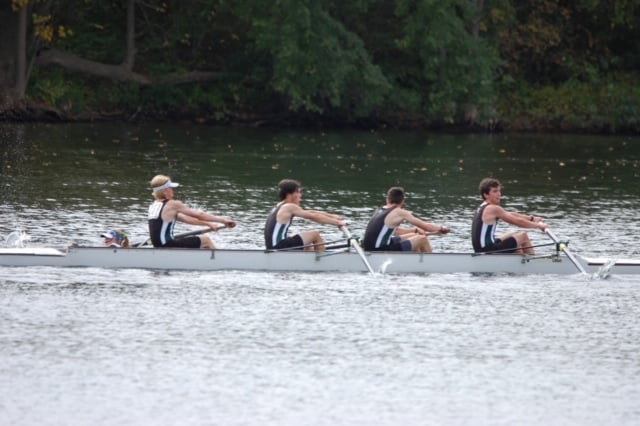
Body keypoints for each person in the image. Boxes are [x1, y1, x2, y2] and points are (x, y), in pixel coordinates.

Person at [148, 174, 236, 249]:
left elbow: (187, 219)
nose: (172, 190)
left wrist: (208, 224)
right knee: (206, 240)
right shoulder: (172, 204)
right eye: (170, 188)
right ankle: (219, 261)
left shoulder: (154, 206)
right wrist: (223, 220)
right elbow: (200, 215)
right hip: (167, 245)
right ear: (165, 191)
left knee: (200, 243)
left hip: (158, 245)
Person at [264, 179, 347, 251]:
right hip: (278, 247)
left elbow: (310, 212)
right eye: (298, 192)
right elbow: (314, 217)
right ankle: (323, 262)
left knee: (308, 242)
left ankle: (309, 262)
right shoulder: (289, 207)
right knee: (315, 234)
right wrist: (337, 223)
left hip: (273, 246)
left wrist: (332, 216)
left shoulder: (281, 205)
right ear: (289, 194)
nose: (300, 195)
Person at [471, 177, 548, 254]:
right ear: (485, 194)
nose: (499, 194)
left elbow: (511, 214)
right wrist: (539, 226)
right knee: (523, 236)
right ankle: (533, 264)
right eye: (495, 191)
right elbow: (518, 222)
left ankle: (520, 263)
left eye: (499, 191)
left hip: (483, 248)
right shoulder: (493, 208)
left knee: (512, 234)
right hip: (487, 250)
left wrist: (531, 218)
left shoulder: (483, 206)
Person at [363, 186, 450, 253]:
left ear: (387, 199)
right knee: (422, 239)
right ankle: (430, 264)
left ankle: (414, 262)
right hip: (380, 249)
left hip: (370, 247)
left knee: (415, 235)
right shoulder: (399, 212)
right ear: (402, 201)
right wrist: (441, 228)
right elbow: (426, 226)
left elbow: (395, 232)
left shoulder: (380, 210)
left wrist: (418, 230)